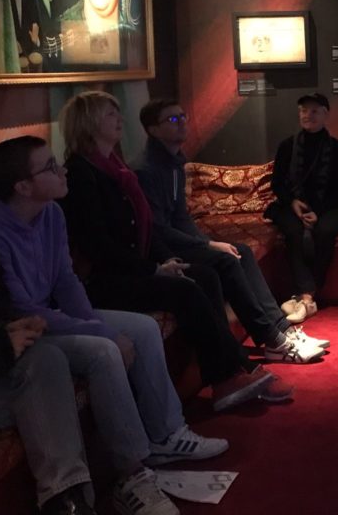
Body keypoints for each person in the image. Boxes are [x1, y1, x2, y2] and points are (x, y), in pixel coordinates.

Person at [0, 135, 233, 513]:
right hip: (24, 329)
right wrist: (103, 333)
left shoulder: (51, 212)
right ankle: (131, 470)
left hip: (49, 314)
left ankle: (166, 435)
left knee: (143, 329)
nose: (62, 170)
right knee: (104, 350)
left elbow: (66, 281)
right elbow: (21, 308)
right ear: (23, 186)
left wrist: (95, 322)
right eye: (50, 166)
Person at [0, 136, 179, 515]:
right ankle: (113, 478)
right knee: (88, 354)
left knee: (50, 357)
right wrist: (4, 340)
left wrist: (12, 331)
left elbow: (11, 301)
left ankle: (74, 496)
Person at [57, 91, 288, 412]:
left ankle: (234, 368)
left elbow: (146, 228)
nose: (120, 119)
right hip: (105, 279)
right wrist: (155, 269)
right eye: (110, 114)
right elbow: (99, 245)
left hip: (132, 266)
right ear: (89, 122)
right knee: (187, 289)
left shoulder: (115, 168)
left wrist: (166, 259)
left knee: (205, 275)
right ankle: (226, 376)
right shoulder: (83, 174)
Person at [134, 97, 327, 362]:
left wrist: (206, 242)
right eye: (173, 119)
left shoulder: (174, 163)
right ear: (153, 129)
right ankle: (272, 339)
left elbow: (181, 217)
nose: (182, 123)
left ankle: (282, 329)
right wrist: (208, 245)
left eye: (183, 117)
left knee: (242, 251)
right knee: (226, 259)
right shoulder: (146, 170)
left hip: (179, 240)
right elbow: (158, 229)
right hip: (164, 250)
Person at [264, 93, 338, 325]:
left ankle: (306, 296)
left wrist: (316, 213)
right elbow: (277, 184)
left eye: (313, 111)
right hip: (291, 205)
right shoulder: (287, 146)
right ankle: (307, 297)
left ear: (325, 114)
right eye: (303, 110)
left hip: (328, 206)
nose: (307, 115)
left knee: (324, 230)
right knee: (293, 230)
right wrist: (293, 203)